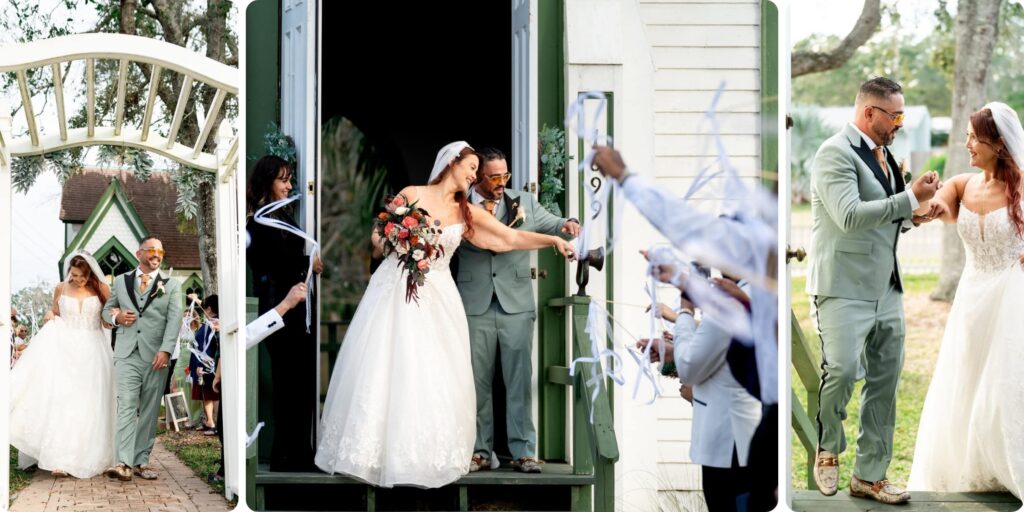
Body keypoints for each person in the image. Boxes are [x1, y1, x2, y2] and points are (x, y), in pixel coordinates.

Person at [314, 141, 575, 488]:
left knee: (433, 372)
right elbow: (378, 234)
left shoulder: (466, 212)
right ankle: (375, 452)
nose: (474, 175)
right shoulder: (411, 193)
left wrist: (552, 241)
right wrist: (393, 241)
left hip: (438, 296)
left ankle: (423, 453)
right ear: (452, 164)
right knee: (386, 365)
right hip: (394, 290)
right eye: (470, 168)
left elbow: (509, 239)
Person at [590, 143, 779, 510]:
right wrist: (674, 346)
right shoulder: (745, 292)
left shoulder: (734, 299)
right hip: (741, 435)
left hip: (734, 443)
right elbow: (719, 355)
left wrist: (687, 307)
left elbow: (694, 365)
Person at [805, 77, 943, 503]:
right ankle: (828, 447)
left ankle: (869, 475)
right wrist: (909, 198)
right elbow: (848, 216)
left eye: (902, 115)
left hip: (888, 287)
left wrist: (915, 216)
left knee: (884, 381)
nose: (900, 123)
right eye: (895, 115)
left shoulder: (886, 155)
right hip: (843, 287)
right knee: (843, 370)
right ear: (870, 113)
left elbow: (885, 216)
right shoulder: (834, 154)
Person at [907, 102, 1024, 498]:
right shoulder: (961, 184)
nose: (967, 143)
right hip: (972, 296)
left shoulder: (1023, 184)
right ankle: (974, 467)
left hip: (1012, 296)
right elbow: (933, 208)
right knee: (966, 381)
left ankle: (1008, 465)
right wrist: (929, 203)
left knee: (1003, 385)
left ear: (999, 144)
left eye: (975, 137)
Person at [455, 147, 579, 473]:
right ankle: (480, 452)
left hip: (517, 304)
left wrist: (568, 223)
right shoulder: (459, 203)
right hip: (474, 302)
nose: (501, 182)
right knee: (476, 383)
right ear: (478, 177)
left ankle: (524, 451)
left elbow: (553, 223)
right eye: (494, 176)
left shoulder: (522, 201)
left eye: (505, 175)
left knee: (519, 382)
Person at [639, 273, 761, 512]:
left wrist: (684, 312)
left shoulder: (732, 301)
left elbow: (689, 367)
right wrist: (673, 349)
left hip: (729, 438)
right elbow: (722, 351)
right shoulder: (756, 291)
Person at [246, 155, 323, 471]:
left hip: (299, 310)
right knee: (287, 383)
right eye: (284, 180)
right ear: (268, 182)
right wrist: (308, 265)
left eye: (291, 179)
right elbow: (265, 266)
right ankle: (285, 456)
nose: (290, 185)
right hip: (278, 310)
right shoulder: (257, 223)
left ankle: (300, 453)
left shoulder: (282, 217)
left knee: (301, 381)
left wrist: (308, 265)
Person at [9, 252, 115, 478]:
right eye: (74, 275)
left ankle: (91, 455)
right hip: (64, 349)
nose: (78, 280)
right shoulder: (60, 288)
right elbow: (56, 312)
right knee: (64, 401)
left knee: (90, 404)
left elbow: (107, 320)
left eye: (82, 277)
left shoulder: (101, 289)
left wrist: (113, 317)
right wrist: (50, 313)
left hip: (94, 349)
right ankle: (60, 459)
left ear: (90, 275)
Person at [102, 237, 183, 481]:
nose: (157, 254)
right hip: (126, 353)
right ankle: (123, 462)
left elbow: (174, 319)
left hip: (156, 356)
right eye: (151, 250)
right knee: (126, 404)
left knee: (148, 410)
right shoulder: (121, 281)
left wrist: (166, 350)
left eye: (160, 250)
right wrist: (117, 319)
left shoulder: (172, 284)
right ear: (139, 254)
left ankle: (141, 461)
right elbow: (107, 310)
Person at [189, 295, 220, 435]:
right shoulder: (213, 322)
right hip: (204, 362)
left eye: (205, 308)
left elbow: (206, 347)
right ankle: (210, 421)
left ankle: (213, 423)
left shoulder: (212, 324)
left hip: (206, 363)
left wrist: (202, 365)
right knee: (207, 394)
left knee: (209, 394)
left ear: (209, 308)